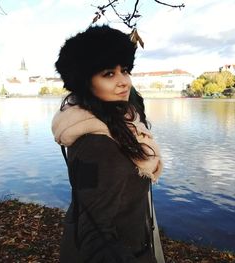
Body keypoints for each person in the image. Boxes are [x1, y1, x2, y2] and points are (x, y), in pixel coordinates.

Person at [52, 25, 162, 263]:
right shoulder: (97, 144)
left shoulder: (119, 121)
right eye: (108, 74)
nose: (124, 82)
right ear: (85, 82)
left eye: (125, 70)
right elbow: (95, 234)